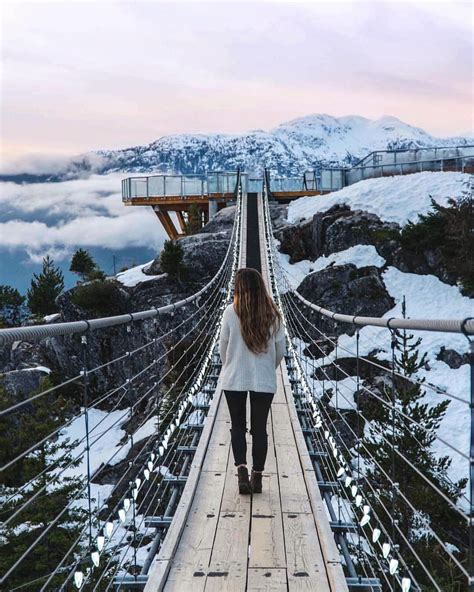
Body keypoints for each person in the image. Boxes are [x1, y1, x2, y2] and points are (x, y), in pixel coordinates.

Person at [218, 267, 286, 495]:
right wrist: (268, 368)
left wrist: (230, 365)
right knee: (260, 429)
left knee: (237, 426)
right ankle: (257, 477)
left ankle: (242, 473)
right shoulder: (274, 313)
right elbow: (280, 350)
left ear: (238, 288)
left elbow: (223, 347)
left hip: (234, 378)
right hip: (264, 381)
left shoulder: (230, 312)